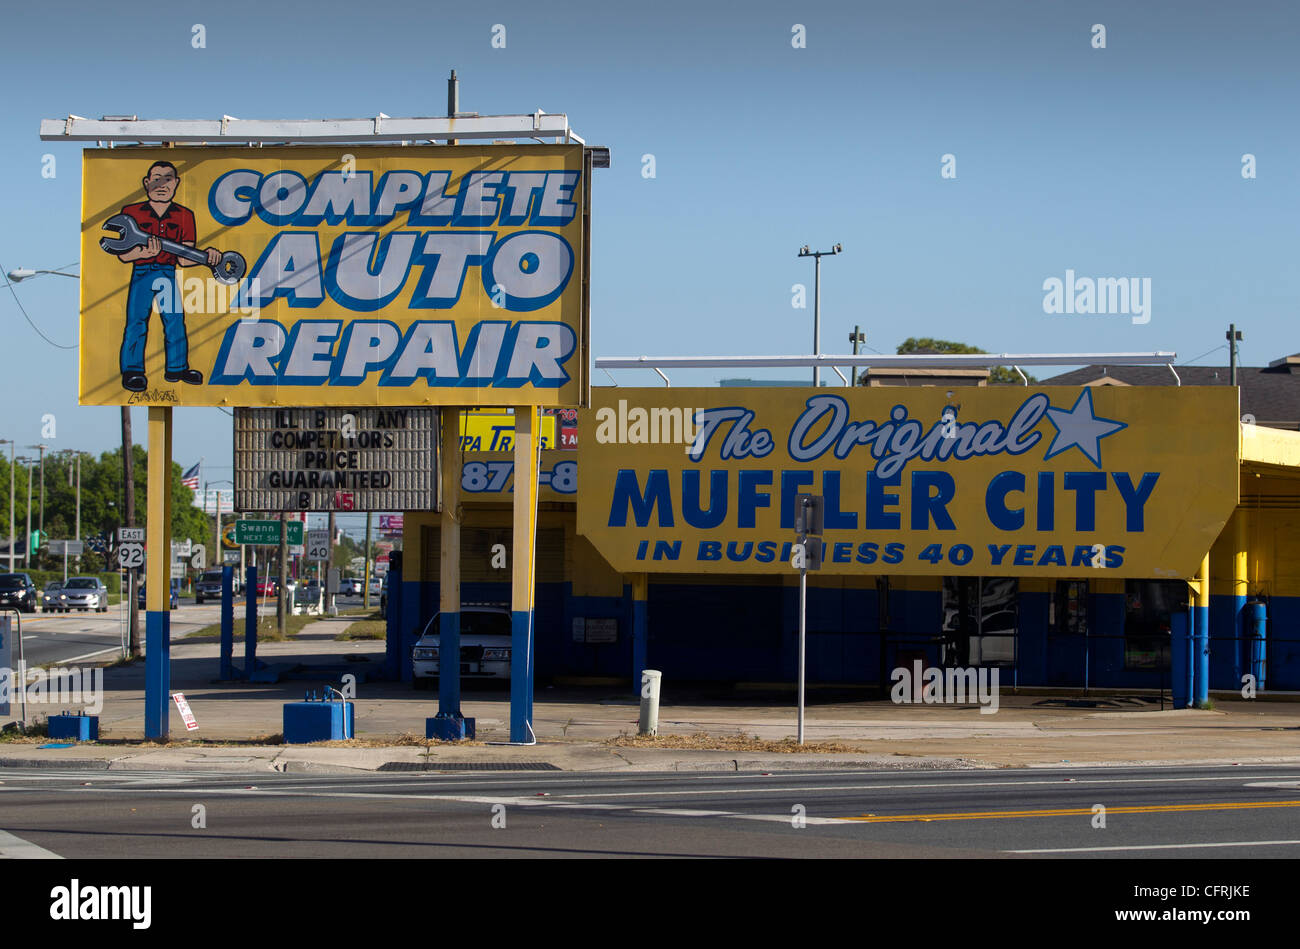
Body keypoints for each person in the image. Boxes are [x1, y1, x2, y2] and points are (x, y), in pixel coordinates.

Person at [111, 160, 220, 392]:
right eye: (157, 179)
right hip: (141, 273)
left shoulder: (185, 215)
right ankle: (132, 372)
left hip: (167, 273)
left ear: (176, 183)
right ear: (147, 182)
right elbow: (123, 256)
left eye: (167, 179)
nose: (162, 185)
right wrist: (142, 252)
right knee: (136, 322)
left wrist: (207, 257)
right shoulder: (130, 213)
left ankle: (177, 368)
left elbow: (183, 258)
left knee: (174, 320)